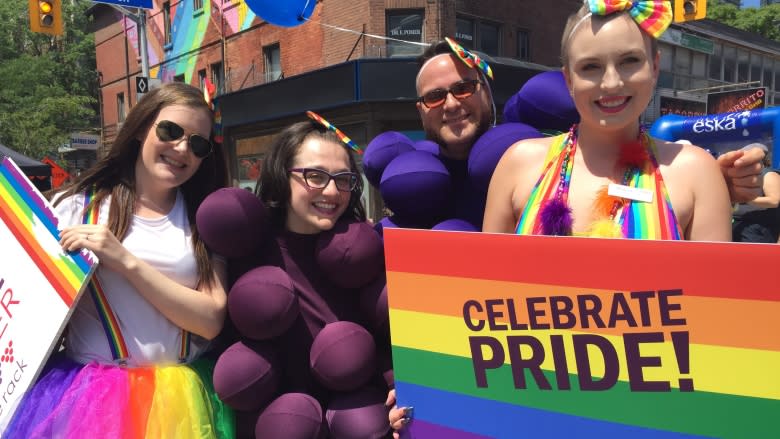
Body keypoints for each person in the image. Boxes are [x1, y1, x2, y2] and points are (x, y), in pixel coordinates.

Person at [4, 82, 234, 438]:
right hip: (91, 407)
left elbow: (210, 320)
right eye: (170, 131)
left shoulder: (204, 217)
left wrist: (124, 261)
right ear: (142, 128)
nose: (181, 148)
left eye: (197, 143)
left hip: (185, 407)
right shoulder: (78, 207)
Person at [198, 112, 391, 438]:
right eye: (315, 176)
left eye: (343, 179)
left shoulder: (362, 251)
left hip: (358, 422)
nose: (331, 192)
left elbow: (388, 337)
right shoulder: (242, 249)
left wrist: (398, 387)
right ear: (281, 176)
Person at [483, 1, 732, 240]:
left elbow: (715, 283)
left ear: (654, 68)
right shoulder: (517, 165)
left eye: (629, 61)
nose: (611, 83)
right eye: (591, 66)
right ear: (569, 80)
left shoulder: (696, 172)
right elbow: (484, 281)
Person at [732, 144, 780, 243]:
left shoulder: (768, 174)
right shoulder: (745, 177)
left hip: (758, 228)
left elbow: (774, 201)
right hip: (739, 225)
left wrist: (746, 199)